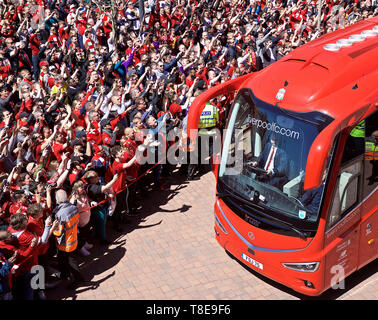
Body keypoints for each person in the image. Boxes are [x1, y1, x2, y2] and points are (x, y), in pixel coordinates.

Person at [52, 189, 83, 289]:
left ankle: (79, 279)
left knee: (71, 262)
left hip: (65, 243)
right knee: (63, 259)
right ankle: (65, 274)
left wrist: (51, 227)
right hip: (73, 238)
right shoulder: (73, 207)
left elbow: (58, 232)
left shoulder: (60, 213)